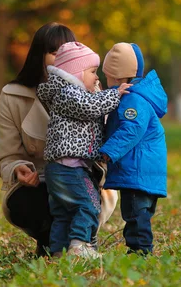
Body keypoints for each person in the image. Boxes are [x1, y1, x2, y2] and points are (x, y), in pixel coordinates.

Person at [0, 23, 118, 257]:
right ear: (39, 56)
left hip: (84, 174)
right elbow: (7, 155)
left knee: (83, 202)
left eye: (67, 51)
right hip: (41, 182)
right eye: (54, 52)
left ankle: (72, 244)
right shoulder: (13, 96)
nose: (63, 57)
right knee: (34, 204)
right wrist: (18, 168)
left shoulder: (91, 90)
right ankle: (60, 245)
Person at [37, 42, 131, 259]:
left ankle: (58, 252)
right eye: (92, 71)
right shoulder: (67, 92)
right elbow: (89, 106)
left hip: (62, 167)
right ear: (74, 73)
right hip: (68, 167)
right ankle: (79, 246)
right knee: (89, 203)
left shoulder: (67, 91)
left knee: (63, 213)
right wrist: (115, 95)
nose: (97, 77)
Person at [99, 42, 168, 255]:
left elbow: (132, 129)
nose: (106, 81)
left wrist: (108, 151)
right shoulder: (137, 96)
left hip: (137, 170)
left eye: (108, 77)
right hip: (144, 170)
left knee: (135, 214)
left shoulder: (133, 100)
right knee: (139, 213)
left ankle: (140, 251)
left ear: (120, 78)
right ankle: (139, 248)